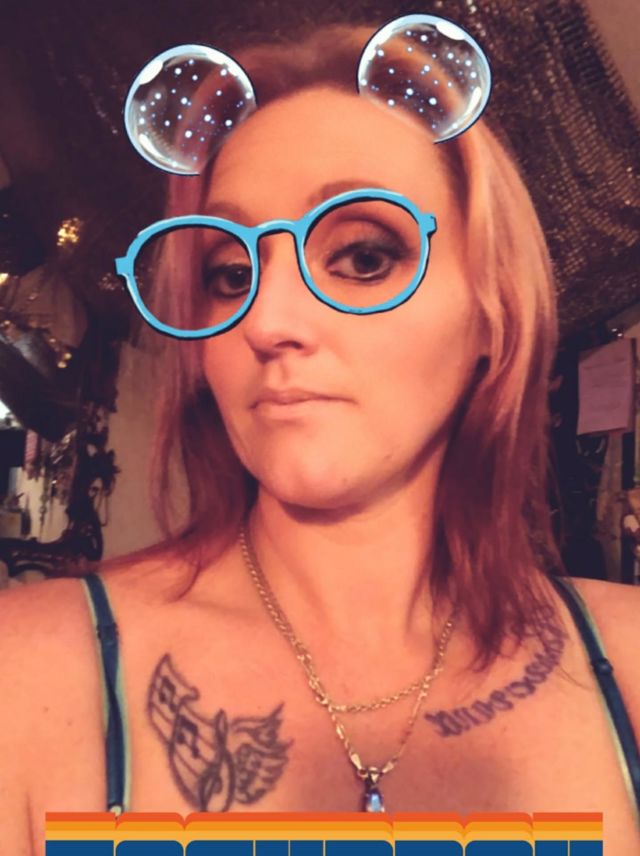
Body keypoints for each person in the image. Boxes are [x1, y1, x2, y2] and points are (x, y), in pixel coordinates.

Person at [1, 17, 639, 854]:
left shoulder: (626, 662)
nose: (266, 321)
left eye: (363, 258)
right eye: (231, 275)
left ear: (492, 310)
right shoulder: (31, 672)